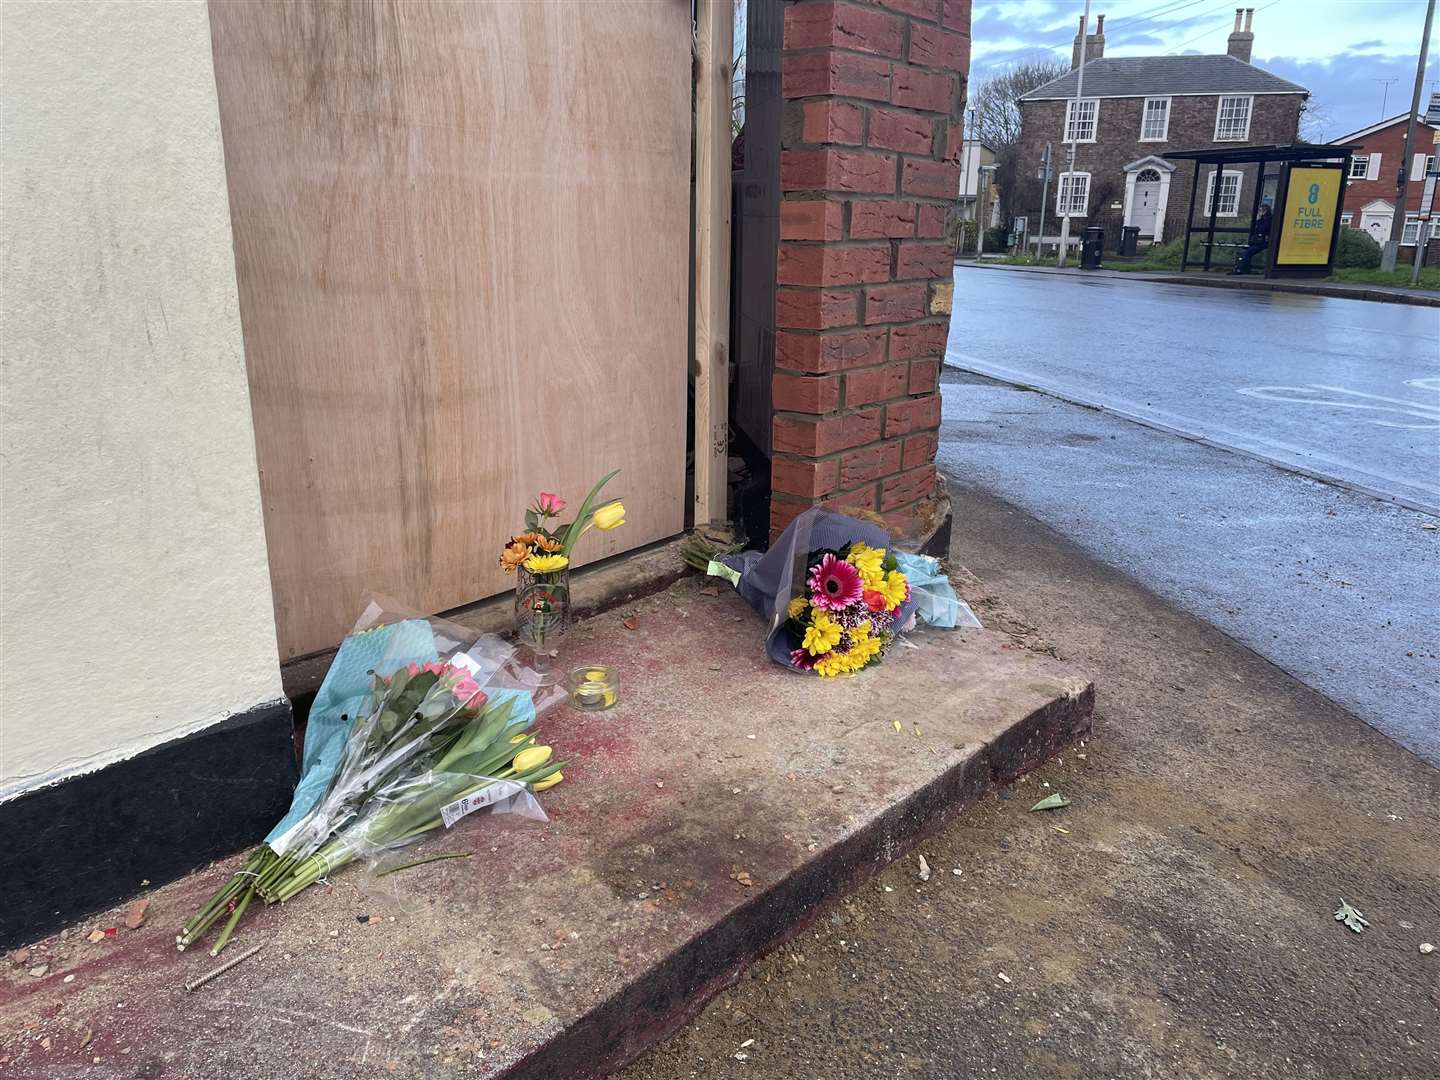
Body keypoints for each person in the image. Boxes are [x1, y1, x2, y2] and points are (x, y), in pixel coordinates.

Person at [1233, 203, 1272, 275]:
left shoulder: (1268, 220)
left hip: (1264, 242)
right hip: (1259, 241)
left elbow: (1262, 229)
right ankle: (1241, 268)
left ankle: (1243, 269)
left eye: (1260, 210)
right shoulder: (1263, 219)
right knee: (1246, 252)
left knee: (1247, 253)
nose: (1259, 212)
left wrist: (1259, 220)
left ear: (1265, 211)